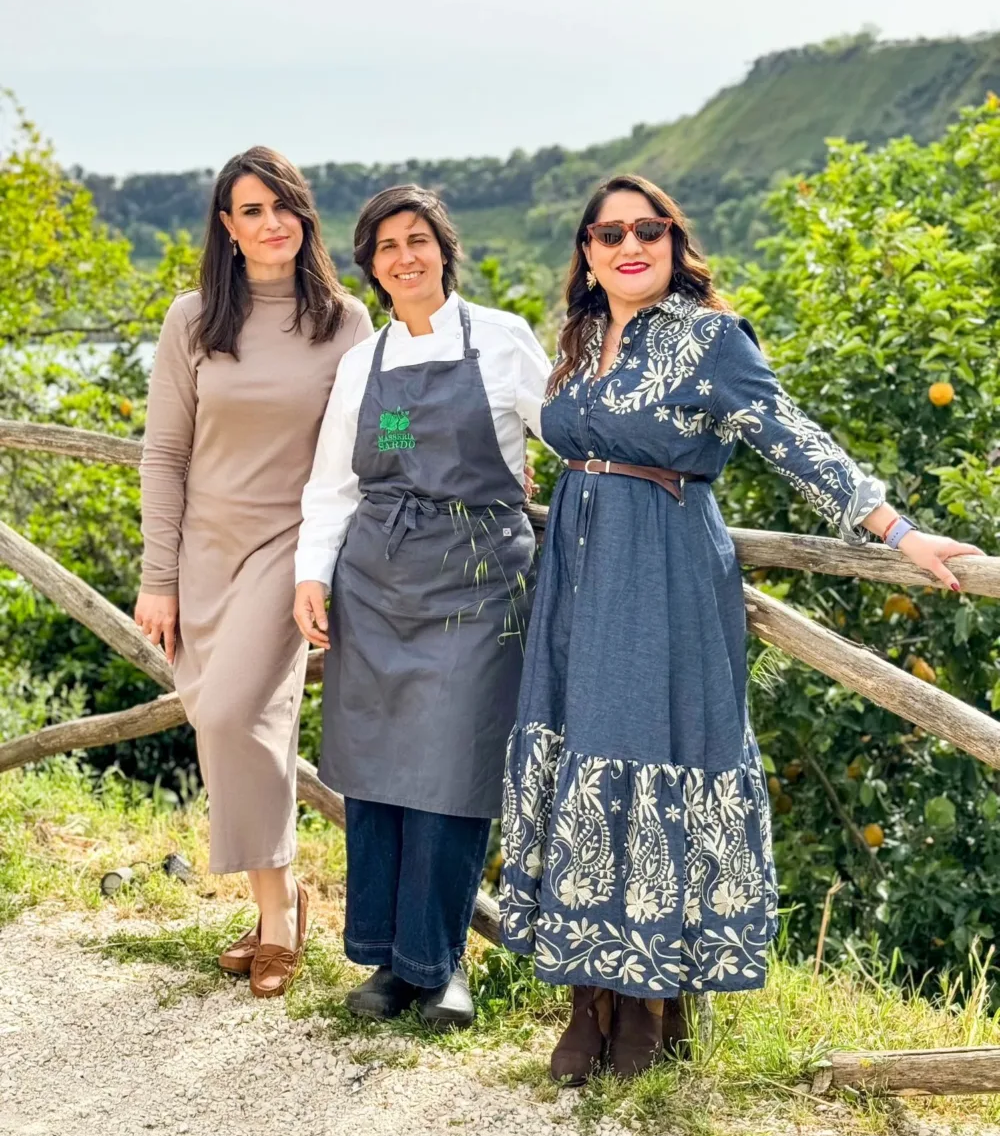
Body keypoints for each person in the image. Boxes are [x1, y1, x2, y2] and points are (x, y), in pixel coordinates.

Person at [499, 173, 983, 1082]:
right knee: (575, 749)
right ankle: (586, 994)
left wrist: (895, 529)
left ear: (675, 243)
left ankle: (652, 999)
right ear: (587, 255)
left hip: (664, 567)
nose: (627, 245)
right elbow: (552, 437)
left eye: (647, 230)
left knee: (650, 747)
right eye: (607, 235)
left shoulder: (711, 338)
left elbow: (792, 437)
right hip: (576, 566)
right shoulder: (576, 339)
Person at [293, 185, 550, 1028]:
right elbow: (335, 485)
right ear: (368, 267)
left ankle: (442, 967)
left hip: (478, 584)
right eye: (385, 248)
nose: (405, 258)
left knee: (452, 773)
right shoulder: (364, 363)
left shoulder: (505, 340)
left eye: (418, 241)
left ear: (444, 248)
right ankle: (389, 965)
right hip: (378, 580)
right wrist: (311, 577)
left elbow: (570, 439)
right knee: (376, 772)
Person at [135, 147, 373, 999]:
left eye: (284, 207)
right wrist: (157, 575)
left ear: (303, 218)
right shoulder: (193, 320)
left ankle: (277, 917)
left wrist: (482, 458)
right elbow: (164, 455)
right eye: (251, 211)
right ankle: (284, 896)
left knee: (237, 711)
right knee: (223, 723)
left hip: (291, 547)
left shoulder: (344, 322)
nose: (271, 224)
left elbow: (388, 429)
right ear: (228, 230)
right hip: (201, 553)